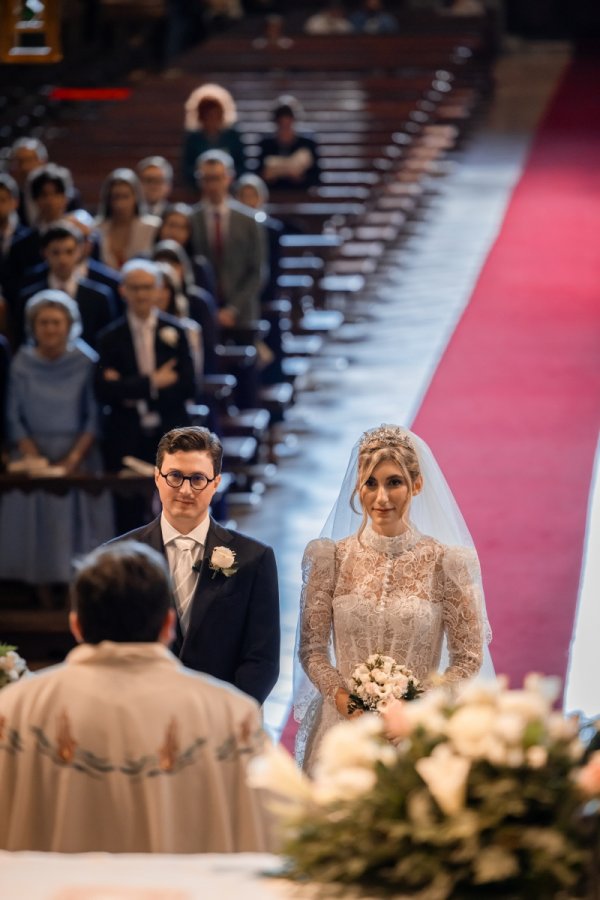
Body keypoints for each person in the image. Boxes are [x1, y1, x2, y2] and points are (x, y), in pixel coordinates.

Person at [0, 541, 271, 853]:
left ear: (76, 625)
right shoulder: (233, 716)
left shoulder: (13, 709)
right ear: (168, 626)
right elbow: (264, 839)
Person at [294, 424, 492, 771]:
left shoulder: (446, 563)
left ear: (416, 484)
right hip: (343, 732)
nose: (381, 497)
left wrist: (420, 709)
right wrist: (343, 700)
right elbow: (312, 651)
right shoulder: (330, 560)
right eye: (370, 483)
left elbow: (468, 657)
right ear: (358, 486)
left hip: (417, 734)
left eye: (394, 482)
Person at [113, 425, 280, 705]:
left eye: (198, 479)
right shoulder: (118, 557)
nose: (186, 490)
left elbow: (262, 659)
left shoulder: (254, 558)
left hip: (223, 717)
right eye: (175, 476)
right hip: (140, 712)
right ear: (157, 477)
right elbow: (111, 648)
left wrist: (228, 716)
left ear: (216, 483)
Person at [0, 290, 113, 598]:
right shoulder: (22, 362)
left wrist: (72, 459)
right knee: (38, 530)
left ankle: (78, 595)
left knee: (75, 530)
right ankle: (41, 595)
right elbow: (12, 412)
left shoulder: (86, 360)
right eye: (43, 322)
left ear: (69, 324)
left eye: (56, 322)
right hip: (33, 452)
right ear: (33, 326)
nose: (50, 329)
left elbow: (93, 415)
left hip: (78, 451)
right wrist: (31, 452)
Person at [95, 260, 195, 534]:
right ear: (123, 291)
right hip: (126, 434)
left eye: (147, 287)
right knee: (128, 515)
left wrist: (129, 387)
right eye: (135, 288)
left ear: (159, 290)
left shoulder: (175, 331)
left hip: (169, 432)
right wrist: (153, 382)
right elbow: (105, 392)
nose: (141, 295)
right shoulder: (109, 338)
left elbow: (188, 386)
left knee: (176, 509)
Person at [190, 150, 264, 329]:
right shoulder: (191, 218)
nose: (213, 185)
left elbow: (258, 271)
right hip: (202, 311)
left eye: (217, 178)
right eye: (207, 178)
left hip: (242, 312)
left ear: (229, 178)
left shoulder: (248, 220)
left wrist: (232, 309)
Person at [18, 223, 115, 349]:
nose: (62, 259)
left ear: (80, 251)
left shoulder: (100, 297)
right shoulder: (28, 297)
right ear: (44, 253)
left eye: (69, 252)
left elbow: (105, 344)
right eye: (55, 252)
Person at [94, 168, 160, 270]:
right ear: (108, 199)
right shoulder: (96, 229)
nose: (120, 204)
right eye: (116, 197)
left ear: (136, 197)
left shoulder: (152, 227)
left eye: (125, 197)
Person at [182, 83, 246, 189]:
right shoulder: (193, 139)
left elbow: (241, 167)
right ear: (201, 117)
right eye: (208, 115)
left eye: (216, 114)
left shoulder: (233, 137)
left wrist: (225, 178)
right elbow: (187, 168)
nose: (212, 119)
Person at [257, 96, 320, 193]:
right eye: (281, 121)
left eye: (288, 120)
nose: (285, 125)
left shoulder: (307, 143)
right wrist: (267, 176)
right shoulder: (266, 144)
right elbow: (259, 172)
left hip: (301, 193)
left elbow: (316, 176)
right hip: (274, 193)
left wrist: (301, 178)